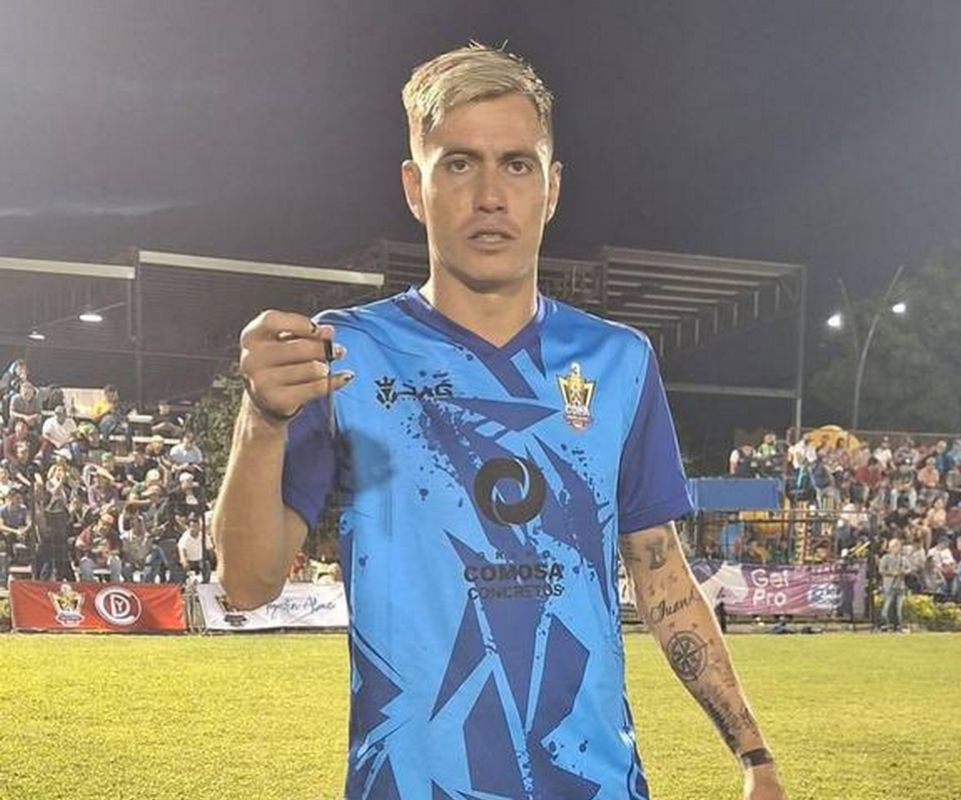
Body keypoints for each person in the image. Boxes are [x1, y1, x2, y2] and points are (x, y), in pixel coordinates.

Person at [212, 44, 784, 800]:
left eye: (517, 164)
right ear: (415, 188)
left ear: (551, 189)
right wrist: (260, 420)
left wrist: (754, 755)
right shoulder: (345, 353)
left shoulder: (617, 362)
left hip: (593, 784)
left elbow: (662, 574)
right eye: (458, 163)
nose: (490, 194)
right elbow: (247, 584)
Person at [878, 537, 908, 632]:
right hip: (889, 585)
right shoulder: (885, 558)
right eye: (894, 546)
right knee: (887, 605)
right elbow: (881, 570)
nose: (897, 548)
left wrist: (904, 572)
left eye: (898, 546)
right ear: (890, 548)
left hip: (900, 586)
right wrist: (891, 573)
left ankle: (898, 625)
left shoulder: (903, 559)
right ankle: (884, 624)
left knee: (899, 607)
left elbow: (908, 568)